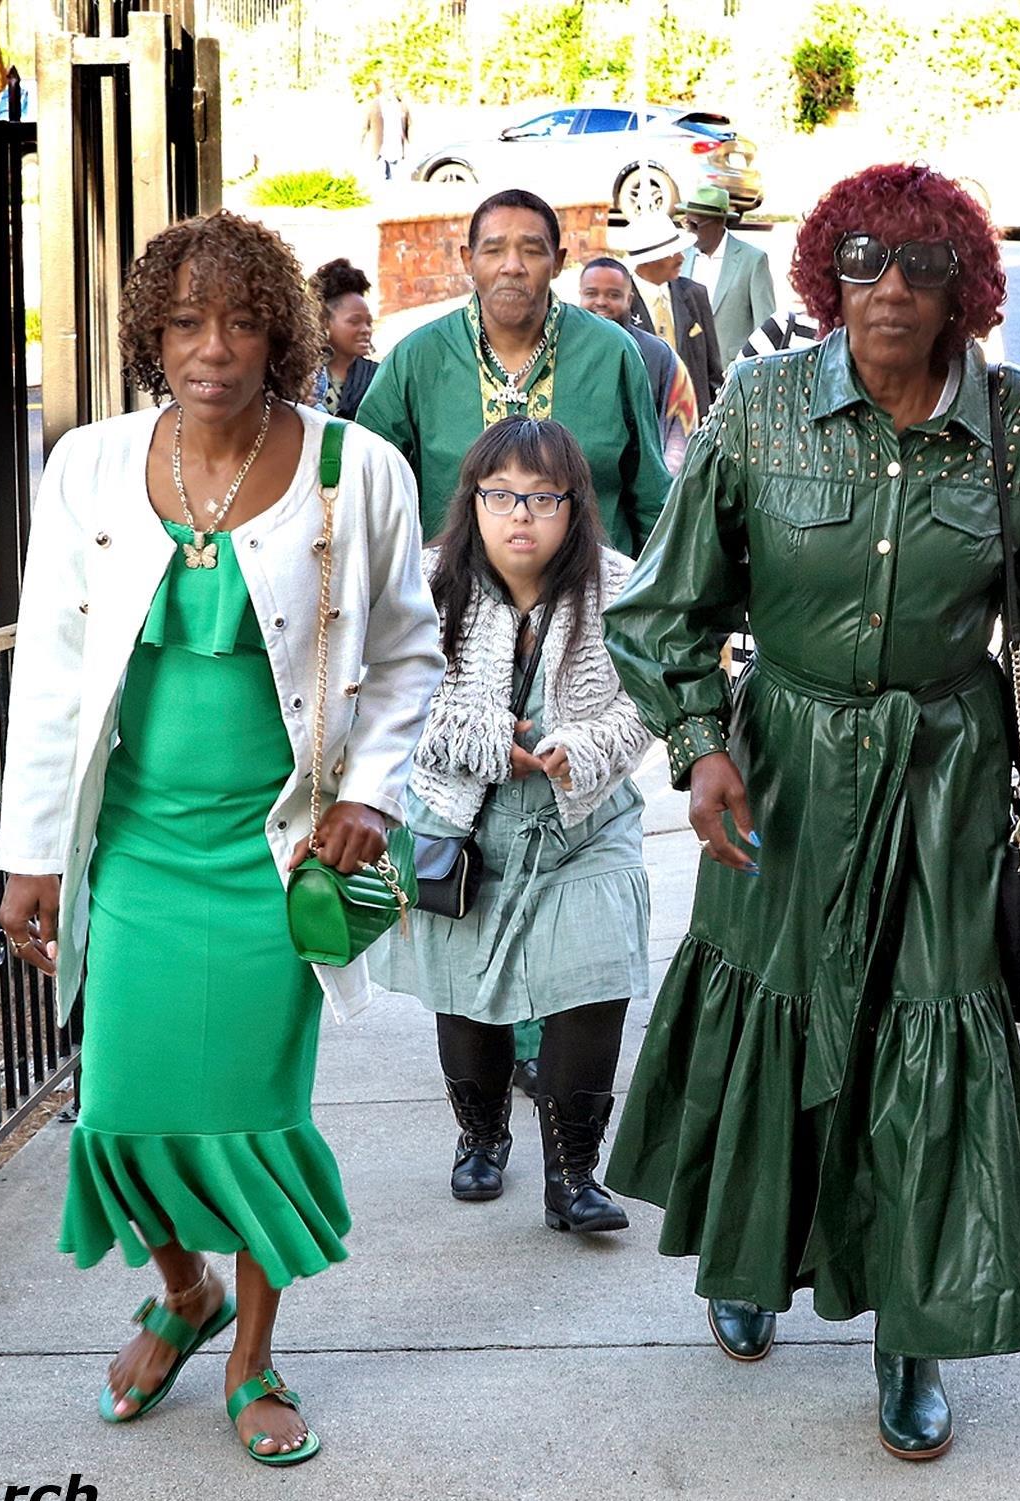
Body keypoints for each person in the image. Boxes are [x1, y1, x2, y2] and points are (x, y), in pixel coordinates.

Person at [601, 164, 1020, 1460]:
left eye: (921, 265)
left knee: (929, 1034)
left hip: (946, 783)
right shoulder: (761, 408)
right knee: (773, 1010)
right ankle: (750, 1255)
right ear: (824, 279)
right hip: (782, 775)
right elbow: (666, 605)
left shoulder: (1018, 426)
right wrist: (700, 745)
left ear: (966, 287)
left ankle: (915, 1327)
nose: (890, 287)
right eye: (862, 261)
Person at [0, 210, 444, 1468]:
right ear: (152, 333)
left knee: (251, 1114)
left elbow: (409, 653)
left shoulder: (357, 470)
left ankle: (252, 1356)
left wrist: (372, 795)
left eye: (243, 322)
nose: (213, 348)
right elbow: (52, 668)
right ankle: (183, 1290)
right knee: (124, 1108)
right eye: (187, 322)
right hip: (137, 847)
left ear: (280, 335)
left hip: (276, 853)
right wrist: (32, 851)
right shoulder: (90, 467)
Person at [372, 417, 652, 1232]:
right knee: (465, 996)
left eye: (541, 497)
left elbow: (649, 699)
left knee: (593, 983)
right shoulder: (425, 584)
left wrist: (583, 748)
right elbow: (384, 697)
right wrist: (490, 742)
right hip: (461, 826)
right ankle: (481, 1137)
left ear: (574, 505)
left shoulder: (621, 587)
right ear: (473, 501)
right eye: (500, 496)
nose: (520, 515)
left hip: (584, 824)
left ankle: (574, 1176)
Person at [358, 187, 672, 553]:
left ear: (558, 262)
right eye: (493, 251)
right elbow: (368, 496)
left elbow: (652, 499)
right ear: (468, 260)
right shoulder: (417, 359)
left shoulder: (611, 353)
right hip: (450, 586)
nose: (512, 266)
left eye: (532, 251)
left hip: (592, 586)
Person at [578, 255, 696, 474]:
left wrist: (665, 481)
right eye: (591, 293)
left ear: (629, 299)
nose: (601, 302)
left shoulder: (659, 355)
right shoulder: (561, 348)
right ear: (580, 295)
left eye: (613, 295)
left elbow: (681, 429)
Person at [619, 213, 721, 417]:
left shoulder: (694, 294)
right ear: (648, 261)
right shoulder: (621, 303)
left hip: (693, 422)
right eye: (672, 253)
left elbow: (713, 370)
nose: (681, 257)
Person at [676, 185, 777, 370]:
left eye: (694, 225)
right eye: (685, 223)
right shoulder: (681, 257)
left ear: (719, 223)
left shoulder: (752, 260)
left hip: (734, 371)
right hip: (688, 372)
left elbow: (766, 327)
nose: (689, 231)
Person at [308, 257, 378, 420]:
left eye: (369, 322)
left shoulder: (379, 378)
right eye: (354, 321)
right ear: (324, 322)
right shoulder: (303, 378)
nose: (366, 330)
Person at [361, 78, 410, 182]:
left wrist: (409, 144)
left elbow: (409, 124)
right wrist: (361, 143)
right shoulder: (374, 105)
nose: (391, 90)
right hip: (379, 151)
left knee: (395, 181)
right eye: (389, 88)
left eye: (392, 87)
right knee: (378, 180)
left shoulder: (400, 104)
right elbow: (364, 126)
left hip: (396, 150)